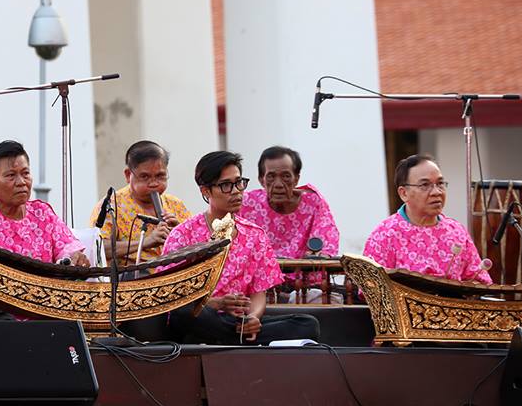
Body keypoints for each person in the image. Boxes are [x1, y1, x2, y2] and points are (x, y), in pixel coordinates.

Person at [163, 151, 321, 345]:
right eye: (226, 185)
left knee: (308, 324)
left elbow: (258, 293)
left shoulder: (255, 235)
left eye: (239, 183)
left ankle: (234, 337)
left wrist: (253, 318)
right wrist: (216, 303)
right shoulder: (183, 234)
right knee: (183, 313)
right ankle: (236, 339)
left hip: (236, 322)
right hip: (203, 317)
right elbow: (170, 295)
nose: (236, 191)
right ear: (205, 191)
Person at [0, 140, 89, 320]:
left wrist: (74, 259)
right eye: (11, 176)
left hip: (38, 314)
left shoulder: (42, 213)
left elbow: (68, 250)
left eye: (25, 173)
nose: (21, 182)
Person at [364, 154, 492, 284]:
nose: (437, 192)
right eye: (425, 185)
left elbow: (479, 281)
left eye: (440, 183)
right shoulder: (385, 234)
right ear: (404, 193)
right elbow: (370, 286)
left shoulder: (457, 232)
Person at [239, 146, 340, 301]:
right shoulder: (247, 204)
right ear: (261, 179)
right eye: (271, 177)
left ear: (296, 179)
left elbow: (325, 247)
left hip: (304, 287)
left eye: (286, 176)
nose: (278, 184)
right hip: (258, 288)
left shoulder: (313, 203)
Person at [88, 140, 191, 267]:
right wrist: (145, 242)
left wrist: (180, 233)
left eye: (160, 176)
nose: (154, 183)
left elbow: (198, 244)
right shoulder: (111, 206)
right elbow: (97, 248)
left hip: (175, 273)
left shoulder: (176, 205)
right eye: (145, 177)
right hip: (132, 276)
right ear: (128, 175)